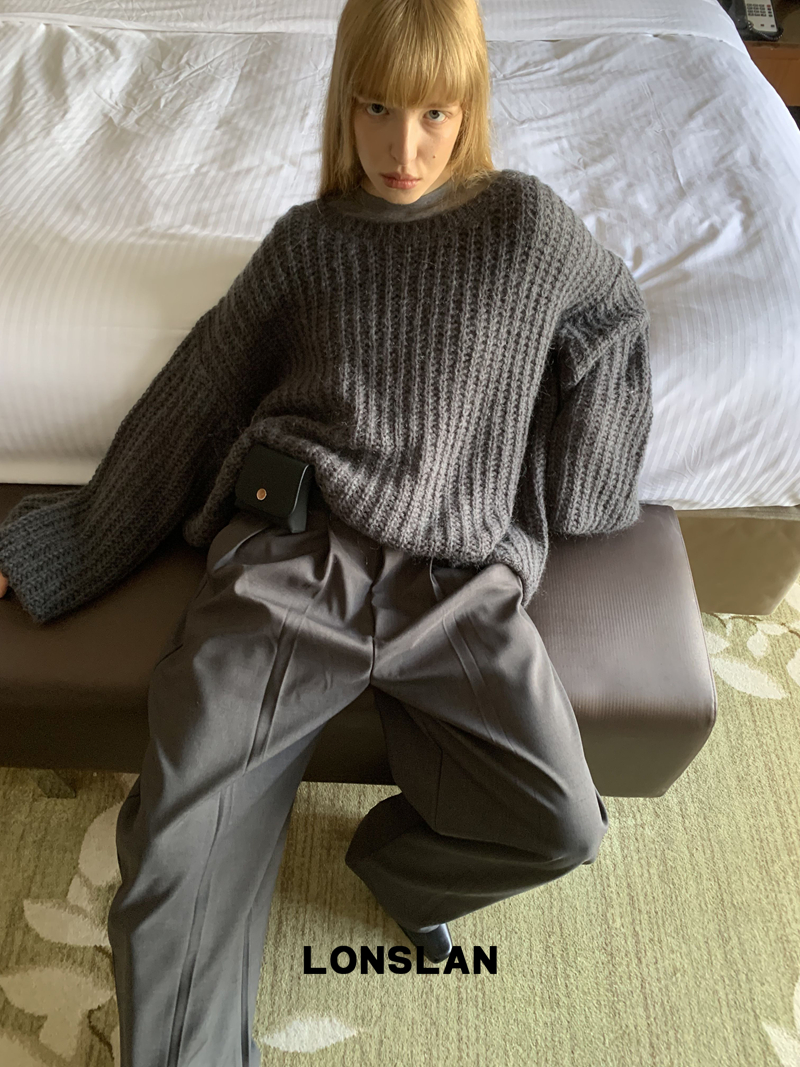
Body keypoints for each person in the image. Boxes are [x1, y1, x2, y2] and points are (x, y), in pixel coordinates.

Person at [0, 0, 653, 1063]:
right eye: (377, 108)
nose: (405, 148)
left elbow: (612, 311)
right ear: (344, 100)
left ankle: (396, 873)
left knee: (562, 823)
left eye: (435, 114)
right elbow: (194, 400)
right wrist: (60, 545)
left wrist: (581, 480)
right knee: (174, 849)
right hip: (293, 561)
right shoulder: (308, 246)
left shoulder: (526, 226)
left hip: (457, 581)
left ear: (470, 107)